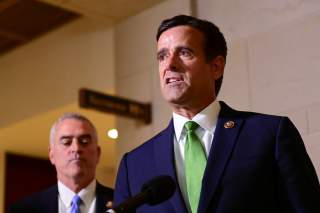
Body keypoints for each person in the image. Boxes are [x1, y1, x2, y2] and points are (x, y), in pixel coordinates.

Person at [113, 15, 320, 213]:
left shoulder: (269, 135)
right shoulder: (134, 165)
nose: (170, 64)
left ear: (216, 66)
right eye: (162, 56)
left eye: (184, 52)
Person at [10, 113, 114, 213]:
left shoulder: (121, 204)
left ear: (98, 153)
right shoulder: (24, 209)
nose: (76, 148)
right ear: (51, 154)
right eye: (66, 142)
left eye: (84, 141)